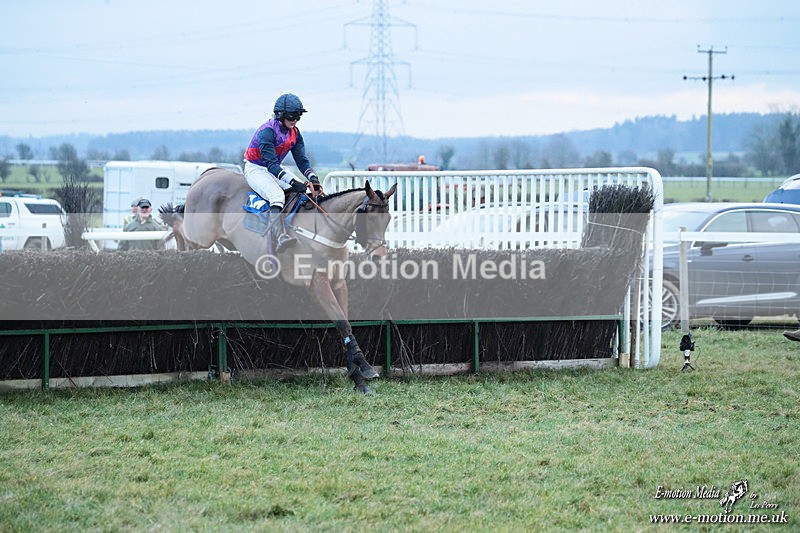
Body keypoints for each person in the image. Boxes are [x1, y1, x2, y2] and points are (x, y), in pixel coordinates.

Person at [243, 93, 322, 252]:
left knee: (303, 192)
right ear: (280, 115)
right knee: (277, 196)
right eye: (292, 115)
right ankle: (280, 236)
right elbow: (271, 165)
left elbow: (301, 160)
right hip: (256, 168)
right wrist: (293, 182)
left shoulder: (295, 133)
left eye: (298, 116)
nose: (295, 120)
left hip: (274, 168)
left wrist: (312, 177)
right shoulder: (267, 131)